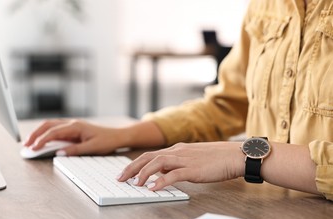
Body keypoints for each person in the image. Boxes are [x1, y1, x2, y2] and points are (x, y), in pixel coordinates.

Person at [24, 0, 333, 201]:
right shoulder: (268, 5)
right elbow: (226, 104)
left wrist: (243, 157)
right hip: (266, 213)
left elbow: (238, 150)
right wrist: (122, 135)